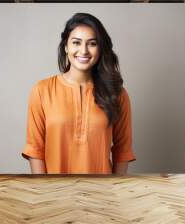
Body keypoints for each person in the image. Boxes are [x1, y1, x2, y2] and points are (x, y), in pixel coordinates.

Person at [21, 12, 136, 174]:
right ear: (66, 46)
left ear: (100, 48)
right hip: (55, 193)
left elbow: (123, 151)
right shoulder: (42, 90)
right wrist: (44, 190)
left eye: (92, 43)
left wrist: (115, 190)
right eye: (76, 42)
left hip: (101, 193)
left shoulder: (117, 94)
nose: (84, 51)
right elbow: (35, 149)